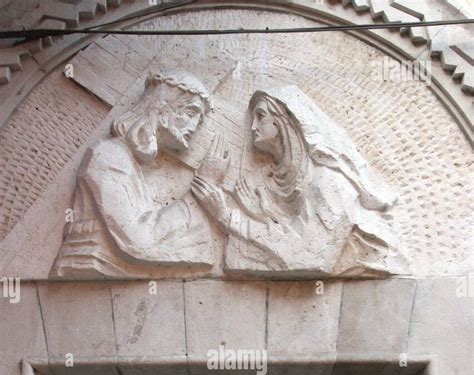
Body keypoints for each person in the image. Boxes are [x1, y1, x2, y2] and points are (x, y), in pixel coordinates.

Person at [191, 85, 408, 276]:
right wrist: (259, 212)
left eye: (260, 116)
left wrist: (228, 217)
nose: (252, 127)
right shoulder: (276, 179)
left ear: (285, 122)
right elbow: (293, 230)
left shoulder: (329, 181)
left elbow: (308, 254)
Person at [51, 71, 213, 278]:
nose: (194, 126)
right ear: (162, 107)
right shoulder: (109, 155)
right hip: (93, 266)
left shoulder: (130, 162)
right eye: (190, 113)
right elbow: (139, 241)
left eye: (199, 121)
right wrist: (201, 190)